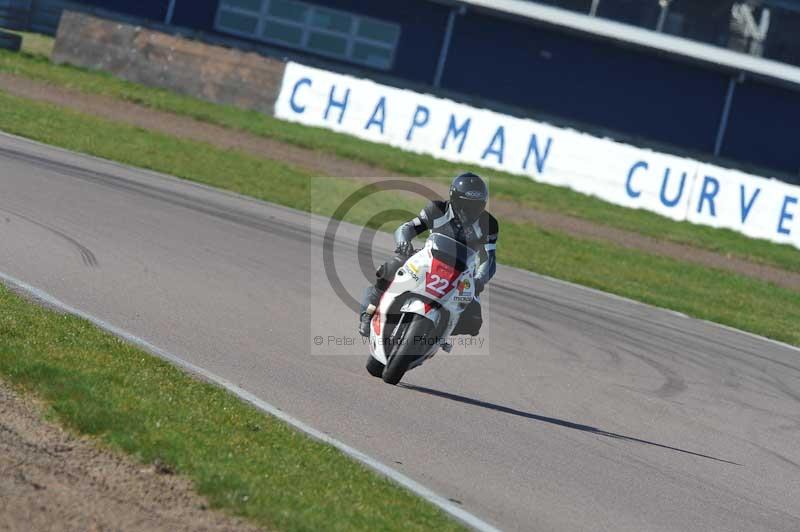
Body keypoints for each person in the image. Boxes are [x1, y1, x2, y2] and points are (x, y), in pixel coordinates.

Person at [358, 172, 498, 337]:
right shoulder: (437, 209)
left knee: (473, 321)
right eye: (465, 204)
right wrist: (403, 242)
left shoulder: (488, 223)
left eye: (476, 206)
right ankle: (369, 311)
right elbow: (407, 228)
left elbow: (488, 258)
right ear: (454, 198)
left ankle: (437, 334)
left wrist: (479, 279)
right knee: (393, 266)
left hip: (463, 274)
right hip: (429, 259)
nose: (470, 210)